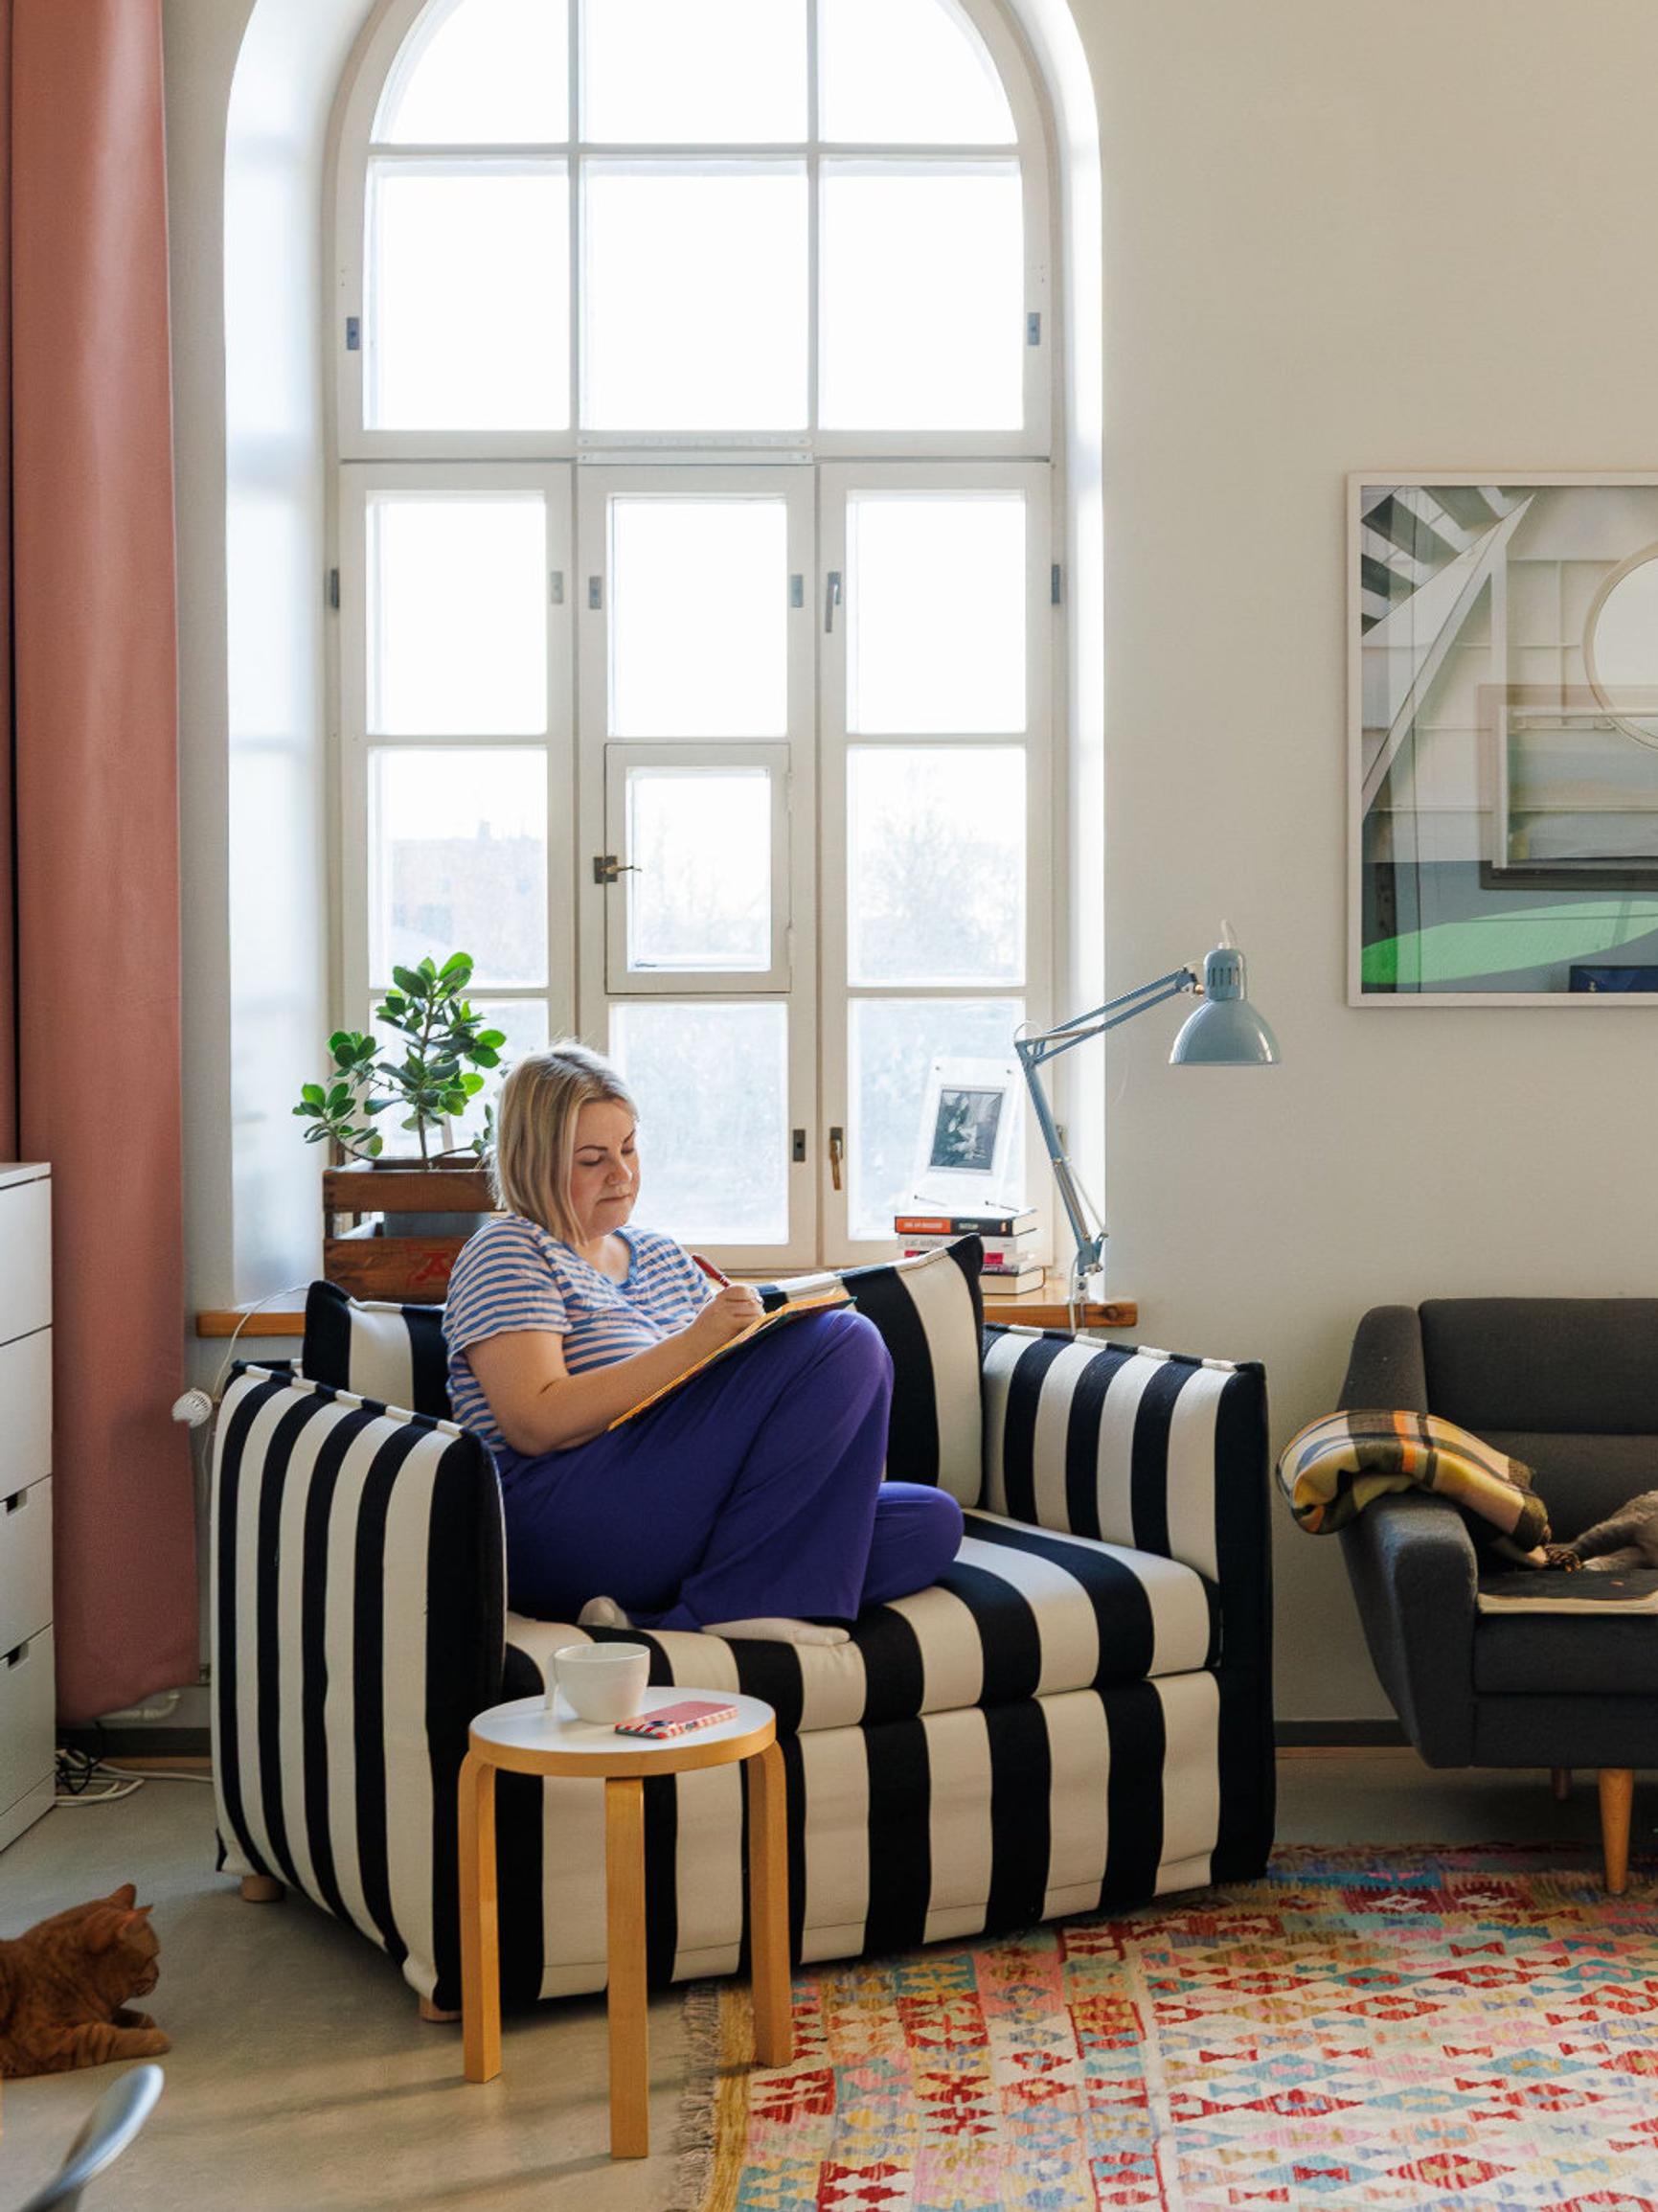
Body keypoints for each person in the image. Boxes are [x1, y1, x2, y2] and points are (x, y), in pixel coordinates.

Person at [442, 1042, 964, 1646]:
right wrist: (698, 1342)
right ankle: (747, 1598)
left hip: (677, 1513)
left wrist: (745, 1343)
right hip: (559, 1512)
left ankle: (677, 1615)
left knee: (927, 1522)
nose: (622, 1174)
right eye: (592, 1160)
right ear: (533, 1162)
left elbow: (718, 1399)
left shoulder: (661, 1254)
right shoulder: (508, 1248)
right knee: (847, 1339)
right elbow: (535, 1423)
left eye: (628, 1148)